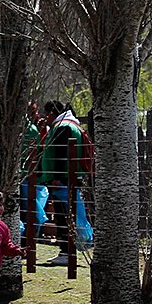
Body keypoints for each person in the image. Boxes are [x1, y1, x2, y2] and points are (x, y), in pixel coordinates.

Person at [39, 99, 88, 266]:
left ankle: (67, 251)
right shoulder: (68, 124)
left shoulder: (63, 127)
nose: (45, 118)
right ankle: (66, 251)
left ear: (51, 113)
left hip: (63, 179)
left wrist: (56, 177)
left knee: (64, 215)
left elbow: (61, 153)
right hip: (67, 178)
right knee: (66, 214)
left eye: (46, 114)